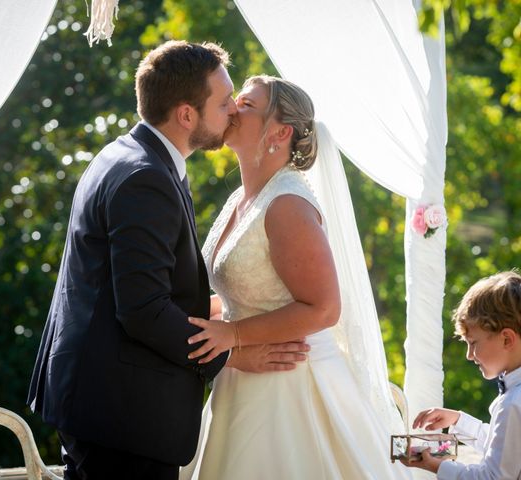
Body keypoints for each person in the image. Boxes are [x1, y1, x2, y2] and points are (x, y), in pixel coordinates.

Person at [27, 41, 309, 480]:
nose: (233, 110)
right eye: (222, 102)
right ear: (185, 115)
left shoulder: (129, 154)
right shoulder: (146, 178)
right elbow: (144, 309)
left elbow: (149, 283)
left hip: (99, 398)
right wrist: (230, 353)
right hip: (122, 411)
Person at [180, 75, 411, 479]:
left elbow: (324, 308)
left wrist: (231, 336)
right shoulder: (242, 198)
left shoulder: (287, 203)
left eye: (247, 105)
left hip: (290, 384)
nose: (232, 108)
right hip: (240, 377)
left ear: (280, 131)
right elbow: (249, 292)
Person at [403, 271, 521, 479]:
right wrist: (458, 420)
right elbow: (508, 448)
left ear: (506, 339)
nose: (469, 355)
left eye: (473, 343)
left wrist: (437, 467)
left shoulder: (516, 403)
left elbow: (492, 477)